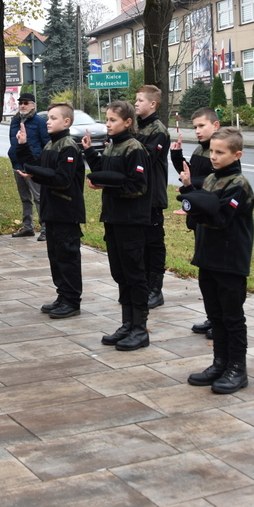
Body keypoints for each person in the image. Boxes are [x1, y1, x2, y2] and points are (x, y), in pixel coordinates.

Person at [178, 127, 254, 395]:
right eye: (212, 151)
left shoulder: (238, 185)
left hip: (230, 260)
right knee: (215, 315)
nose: (213, 156)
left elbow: (221, 219)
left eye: (220, 152)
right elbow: (198, 215)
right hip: (208, 257)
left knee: (232, 317)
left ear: (237, 155)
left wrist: (195, 208)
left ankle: (237, 369)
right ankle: (220, 363)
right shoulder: (211, 179)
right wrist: (190, 192)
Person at [82, 100, 151, 351]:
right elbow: (104, 172)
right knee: (120, 273)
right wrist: (90, 153)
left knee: (134, 274)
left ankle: (140, 329)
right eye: (107, 119)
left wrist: (107, 186)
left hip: (131, 220)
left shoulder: (135, 149)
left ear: (128, 122)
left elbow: (137, 186)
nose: (108, 124)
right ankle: (127, 324)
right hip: (113, 218)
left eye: (113, 120)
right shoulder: (112, 145)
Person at [15, 103, 85, 319]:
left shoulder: (69, 147)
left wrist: (34, 171)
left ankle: (72, 301)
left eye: (53, 118)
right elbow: (38, 167)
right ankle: (62, 296)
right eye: (48, 118)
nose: (48, 121)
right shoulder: (51, 145)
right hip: (52, 210)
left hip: (66, 211)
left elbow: (62, 179)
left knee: (68, 257)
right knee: (56, 257)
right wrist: (23, 146)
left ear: (66, 122)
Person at [171, 107, 221, 337]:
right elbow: (190, 175)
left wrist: (191, 185)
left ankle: (220, 322)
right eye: (195, 127)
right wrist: (177, 156)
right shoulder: (201, 149)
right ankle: (212, 318)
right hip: (199, 216)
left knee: (216, 275)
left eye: (202, 126)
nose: (198, 131)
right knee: (205, 275)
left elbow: (212, 182)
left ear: (216, 125)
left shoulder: (220, 150)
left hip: (213, 217)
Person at [134, 85, 169, 310]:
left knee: (154, 244)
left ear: (152, 104)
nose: (136, 103)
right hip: (138, 194)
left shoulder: (158, 130)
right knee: (141, 243)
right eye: (136, 100)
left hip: (153, 195)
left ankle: (155, 289)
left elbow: (145, 159)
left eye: (140, 100)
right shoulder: (136, 126)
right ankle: (143, 286)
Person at [8, 93, 48, 240]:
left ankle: (45, 228)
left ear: (33, 105)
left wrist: (39, 163)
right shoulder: (15, 121)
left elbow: (46, 144)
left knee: (39, 197)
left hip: (33, 165)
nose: (23, 106)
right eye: (21, 103)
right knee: (25, 198)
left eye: (26, 103)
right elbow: (13, 142)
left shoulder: (40, 122)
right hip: (17, 164)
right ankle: (27, 227)